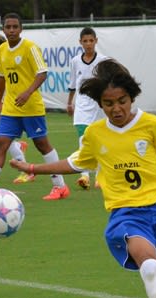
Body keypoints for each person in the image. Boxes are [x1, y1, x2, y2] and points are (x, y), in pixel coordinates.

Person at [9, 59, 156, 298]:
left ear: (132, 98)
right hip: (127, 215)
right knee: (151, 267)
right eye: (108, 103)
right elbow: (75, 163)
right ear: (100, 104)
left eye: (122, 101)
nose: (116, 108)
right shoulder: (96, 134)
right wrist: (32, 167)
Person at [0, 13, 70, 201]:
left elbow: (42, 73)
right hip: (11, 109)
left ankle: (60, 187)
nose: (11, 30)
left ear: (21, 29)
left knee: (42, 145)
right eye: (8, 27)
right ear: (3, 29)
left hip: (31, 108)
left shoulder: (29, 48)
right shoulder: (3, 49)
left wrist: (28, 92)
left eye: (15, 27)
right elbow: (2, 77)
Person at [0, 34, 33, 185]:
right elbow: (0, 88)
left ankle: (27, 172)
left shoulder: (9, 64)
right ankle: (17, 145)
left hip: (9, 106)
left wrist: (2, 103)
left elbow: (13, 88)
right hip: (0, 105)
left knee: (5, 140)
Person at [67, 27, 108, 190]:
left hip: (98, 104)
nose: (88, 44)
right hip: (82, 104)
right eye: (85, 41)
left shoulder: (104, 61)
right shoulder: (75, 61)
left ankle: (100, 176)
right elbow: (72, 84)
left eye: (91, 40)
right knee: (83, 138)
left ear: (96, 41)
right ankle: (84, 175)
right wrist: (70, 103)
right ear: (80, 42)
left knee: (98, 140)